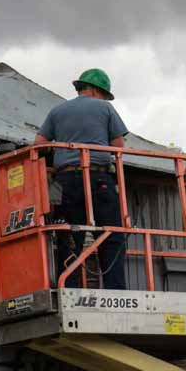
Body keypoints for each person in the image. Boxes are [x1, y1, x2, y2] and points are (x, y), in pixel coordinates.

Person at [34, 68, 128, 290]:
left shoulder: (57, 111)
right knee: (111, 234)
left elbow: (38, 144)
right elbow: (118, 147)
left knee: (69, 236)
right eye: (104, 94)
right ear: (96, 90)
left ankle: (69, 287)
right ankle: (115, 291)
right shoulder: (105, 108)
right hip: (98, 178)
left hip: (66, 181)